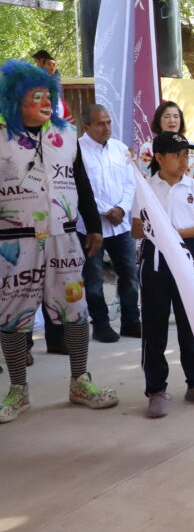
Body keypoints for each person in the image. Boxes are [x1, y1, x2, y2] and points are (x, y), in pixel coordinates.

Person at [0, 60, 117, 424]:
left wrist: (93, 225)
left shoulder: (65, 136)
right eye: (35, 96)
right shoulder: (1, 138)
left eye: (47, 95)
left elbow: (81, 181)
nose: (45, 101)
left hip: (63, 238)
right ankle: (18, 390)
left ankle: (80, 381)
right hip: (15, 243)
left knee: (75, 309)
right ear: (15, 100)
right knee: (12, 316)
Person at [133, 132, 194, 418]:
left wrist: (177, 234)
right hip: (155, 258)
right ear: (159, 158)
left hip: (187, 255)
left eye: (187, 155)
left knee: (191, 321)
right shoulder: (146, 188)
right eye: (178, 155)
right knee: (154, 324)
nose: (184, 161)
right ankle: (156, 390)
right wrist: (158, 231)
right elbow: (135, 229)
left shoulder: (193, 186)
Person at [77, 104, 141, 343]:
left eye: (108, 122)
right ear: (86, 127)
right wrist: (106, 211)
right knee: (94, 279)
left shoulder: (120, 148)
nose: (106, 127)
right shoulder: (77, 151)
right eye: (100, 123)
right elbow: (79, 188)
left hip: (120, 225)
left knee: (129, 275)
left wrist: (122, 208)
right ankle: (101, 325)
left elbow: (130, 183)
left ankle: (131, 321)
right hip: (91, 227)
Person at [136, 101, 194, 184]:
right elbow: (144, 182)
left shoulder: (193, 148)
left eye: (176, 116)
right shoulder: (147, 148)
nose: (172, 120)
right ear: (159, 121)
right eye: (167, 117)